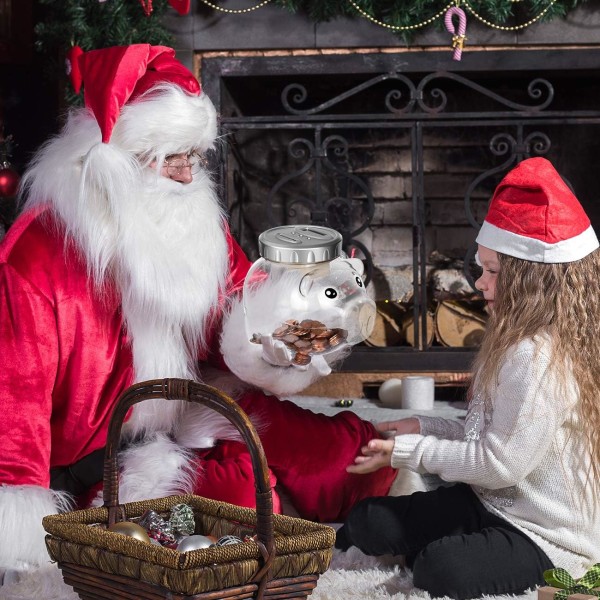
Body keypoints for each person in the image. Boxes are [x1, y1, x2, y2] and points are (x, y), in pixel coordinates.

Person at [0, 44, 396, 585]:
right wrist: (20, 530)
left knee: (352, 455)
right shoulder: (39, 255)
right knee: (239, 506)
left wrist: (285, 334)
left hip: (191, 402)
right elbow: (12, 407)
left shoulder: (189, 218)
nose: (190, 177)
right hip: (99, 463)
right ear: (115, 157)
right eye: (173, 159)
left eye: (196, 156)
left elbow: (236, 311)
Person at [335, 157, 600, 600]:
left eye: (493, 272)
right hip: (493, 500)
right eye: (483, 268)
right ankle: (443, 544)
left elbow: (498, 463)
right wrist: (423, 426)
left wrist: (407, 451)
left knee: (440, 568)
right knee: (367, 522)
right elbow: (489, 437)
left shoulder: (538, 357)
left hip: (547, 532)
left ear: (531, 280)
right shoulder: (516, 340)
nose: (480, 283)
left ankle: (465, 556)